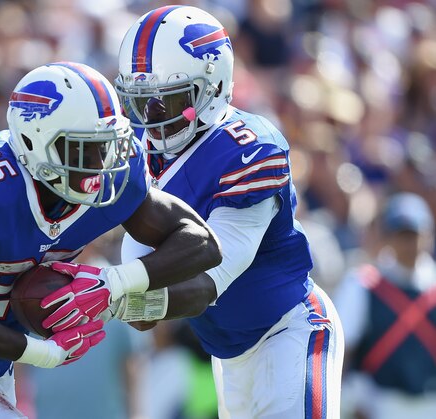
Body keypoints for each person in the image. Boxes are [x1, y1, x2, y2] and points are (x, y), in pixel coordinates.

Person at [0, 61, 221, 418]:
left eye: (106, 145)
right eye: (84, 148)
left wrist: (114, 283)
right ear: (33, 141)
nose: (100, 163)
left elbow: (202, 243)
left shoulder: (114, 180)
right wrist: (44, 353)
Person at [110, 5, 344, 418]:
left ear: (212, 87)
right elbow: (144, 316)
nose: (153, 117)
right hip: (229, 354)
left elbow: (207, 283)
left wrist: (115, 290)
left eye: (169, 99)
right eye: (143, 100)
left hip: (286, 330)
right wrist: (104, 292)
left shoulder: (250, 149)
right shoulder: (141, 151)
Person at [334, 192, 436, 419]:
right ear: (387, 238)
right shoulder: (363, 284)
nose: (411, 243)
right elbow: (342, 350)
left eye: (416, 234)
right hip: (378, 404)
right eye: (402, 235)